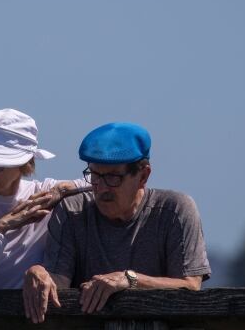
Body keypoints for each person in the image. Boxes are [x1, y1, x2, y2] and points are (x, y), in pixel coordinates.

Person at [22, 122, 211, 323]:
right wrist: (38, 273)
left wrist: (130, 280)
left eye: (113, 178)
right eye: (94, 175)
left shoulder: (175, 211)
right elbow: (58, 286)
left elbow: (191, 285)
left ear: (143, 175)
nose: (101, 188)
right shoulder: (72, 211)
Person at [0, 108, 87, 290]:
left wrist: (63, 189)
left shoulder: (43, 194)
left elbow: (102, 181)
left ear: (23, 164)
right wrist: (0, 229)